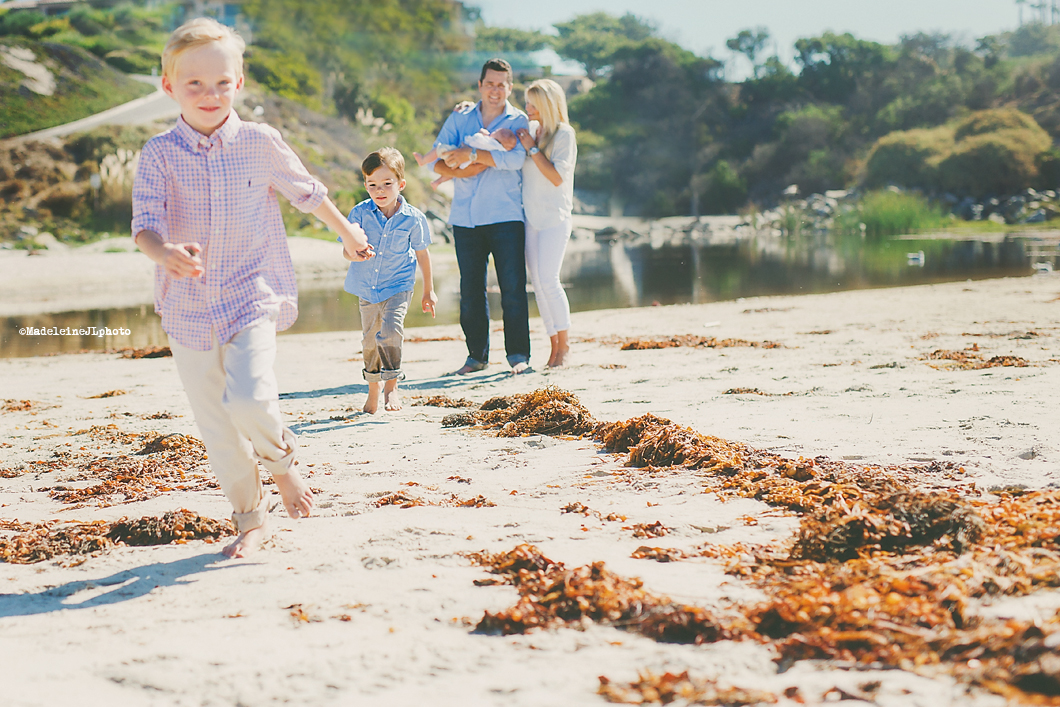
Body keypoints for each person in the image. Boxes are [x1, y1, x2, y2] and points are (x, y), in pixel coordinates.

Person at [131, 18, 374, 558]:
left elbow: (307, 193)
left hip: (252, 291)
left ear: (239, 82)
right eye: (194, 83)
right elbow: (144, 222)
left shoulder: (261, 142)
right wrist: (163, 253)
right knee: (217, 426)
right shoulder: (159, 154)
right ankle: (251, 519)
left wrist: (351, 233)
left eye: (222, 82)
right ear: (168, 87)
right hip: (188, 306)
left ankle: (283, 464)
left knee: (249, 397)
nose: (210, 94)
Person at [429, 57, 531, 375]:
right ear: (480, 85)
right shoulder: (461, 117)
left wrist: (471, 155)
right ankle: (476, 357)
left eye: (502, 85)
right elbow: (437, 157)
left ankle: (518, 356)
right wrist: (464, 162)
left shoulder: (518, 120)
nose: (495, 90)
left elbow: (516, 161)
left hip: (505, 216)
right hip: (465, 218)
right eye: (490, 83)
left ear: (510, 88)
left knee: (513, 288)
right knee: (471, 290)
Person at [340, 147, 436, 414]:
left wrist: (429, 290)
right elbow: (346, 249)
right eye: (372, 185)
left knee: (391, 331)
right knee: (370, 340)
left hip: (398, 285)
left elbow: (423, 254)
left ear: (401, 184)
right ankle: (373, 389)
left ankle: (391, 386)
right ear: (365, 185)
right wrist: (354, 254)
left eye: (386, 184)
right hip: (367, 287)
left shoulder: (413, 218)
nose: (379, 190)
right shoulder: (359, 213)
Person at [517, 79, 578, 368]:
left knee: (550, 280)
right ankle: (553, 346)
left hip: (555, 217)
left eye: (532, 103)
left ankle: (564, 347)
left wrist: (531, 149)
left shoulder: (564, 134)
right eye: (526, 102)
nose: (527, 108)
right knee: (538, 284)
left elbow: (556, 178)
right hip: (531, 217)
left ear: (547, 105)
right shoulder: (530, 131)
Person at [414, 127, 518, 190]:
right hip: (465, 165)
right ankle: (437, 182)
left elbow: (478, 138)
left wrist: (482, 133)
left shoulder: (488, 141)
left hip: (458, 155)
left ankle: (423, 160)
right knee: (453, 173)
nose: (492, 132)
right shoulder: (498, 149)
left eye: (495, 132)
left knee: (440, 149)